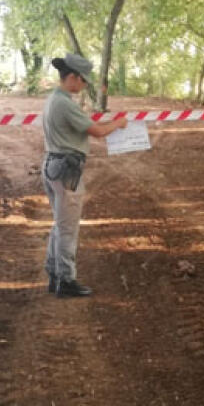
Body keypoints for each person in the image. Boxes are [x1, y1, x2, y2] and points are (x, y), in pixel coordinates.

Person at [41, 54, 127, 297]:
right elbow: (98, 131)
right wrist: (119, 124)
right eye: (83, 80)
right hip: (66, 170)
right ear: (72, 77)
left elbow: (87, 126)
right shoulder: (65, 103)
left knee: (60, 224)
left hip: (53, 165)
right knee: (68, 228)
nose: (84, 85)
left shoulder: (54, 99)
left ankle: (54, 274)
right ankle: (66, 281)